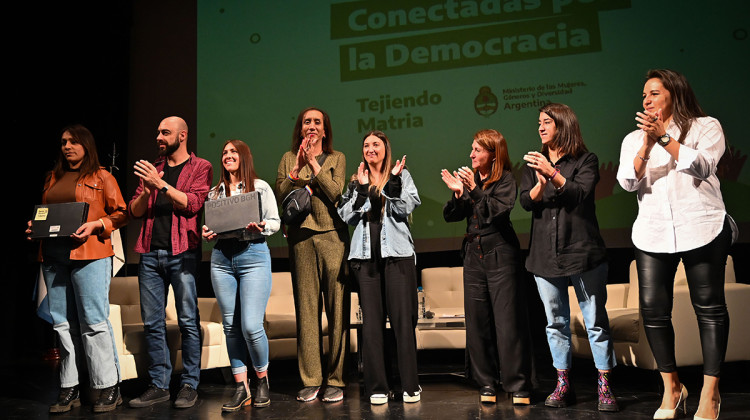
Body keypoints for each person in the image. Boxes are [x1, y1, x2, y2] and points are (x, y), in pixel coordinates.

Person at [616, 69, 736, 420]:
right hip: (653, 231)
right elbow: (626, 182)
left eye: (654, 93)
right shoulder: (633, 138)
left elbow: (702, 166)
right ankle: (672, 387)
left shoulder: (705, 126)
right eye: (643, 96)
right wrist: (647, 143)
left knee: (709, 307)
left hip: (701, 226)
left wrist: (666, 138)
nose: (646, 100)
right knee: (653, 310)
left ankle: (710, 393)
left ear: (675, 92)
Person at [519, 103, 618, 412]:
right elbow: (525, 202)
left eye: (546, 122)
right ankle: (563, 383)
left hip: (583, 253)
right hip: (545, 257)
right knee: (555, 323)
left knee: (595, 322)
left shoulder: (586, 160)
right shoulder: (533, 163)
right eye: (539, 123)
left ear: (562, 125)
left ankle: (604, 385)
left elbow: (579, 195)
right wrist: (540, 183)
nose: (540, 127)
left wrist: (554, 175)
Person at [27, 124, 128, 413]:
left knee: (94, 322)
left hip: (91, 255)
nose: (67, 146)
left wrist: (97, 224)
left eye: (73, 142)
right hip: (54, 256)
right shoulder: (51, 178)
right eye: (63, 142)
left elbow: (121, 213)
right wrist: (35, 227)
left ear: (86, 145)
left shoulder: (102, 177)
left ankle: (108, 386)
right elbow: (46, 213)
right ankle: (69, 386)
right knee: (62, 324)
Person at [441, 129, 534, 405]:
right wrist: (459, 195)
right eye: (471, 149)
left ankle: (517, 384)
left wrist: (474, 190)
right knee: (477, 321)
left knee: (507, 322)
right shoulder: (471, 180)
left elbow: (497, 211)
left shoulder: (504, 179)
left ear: (493, 154)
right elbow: (451, 216)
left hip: (500, 253)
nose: (471, 154)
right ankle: (486, 383)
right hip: (473, 254)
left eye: (477, 150)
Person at [128, 116, 213, 409]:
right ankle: (159, 385)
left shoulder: (200, 167)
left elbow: (192, 203)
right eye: (158, 132)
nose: (159, 137)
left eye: (165, 132)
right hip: (150, 252)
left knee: (188, 320)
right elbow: (135, 209)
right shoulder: (155, 168)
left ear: (183, 135)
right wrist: (149, 188)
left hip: (183, 252)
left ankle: (189, 383)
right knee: (153, 322)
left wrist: (160, 184)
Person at [338, 130, 421, 405]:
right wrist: (362, 190)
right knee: (372, 324)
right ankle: (377, 387)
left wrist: (393, 183)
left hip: (397, 256)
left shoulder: (401, 176)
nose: (370, 149)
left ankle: (410, 385)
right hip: (365, 258)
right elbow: (346, 215)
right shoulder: (355, 182)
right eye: (366, 145)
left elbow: (406, 207)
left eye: (376, 144)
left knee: (402, 321)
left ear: (386, 148)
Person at [275, 107, 349, 403]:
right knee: (306, 311)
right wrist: (296, 169)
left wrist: (314, 168)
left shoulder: (336, 158)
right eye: (307, 122)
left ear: (325, 130)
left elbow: (336, 193)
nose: (312, 126)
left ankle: (336, 379)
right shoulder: (287, 158)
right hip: (301, 239)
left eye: (318, 122)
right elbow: (281, 192)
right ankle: (311, 379)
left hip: (332, 236)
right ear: (300, 128)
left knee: (337, 309)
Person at [202, 140, 280, 411]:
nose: (228, 156)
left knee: (250, 326)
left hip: (253, 256)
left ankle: (261, 379)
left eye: (233, 152)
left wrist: (262, 226)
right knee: (230, 326)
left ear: (244, 157)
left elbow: (275, 221)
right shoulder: (214, 193)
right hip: (222, 258)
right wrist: (207, 232)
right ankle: (240, 387)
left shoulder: (260, 187)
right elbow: (211, 225)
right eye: (224, 153)